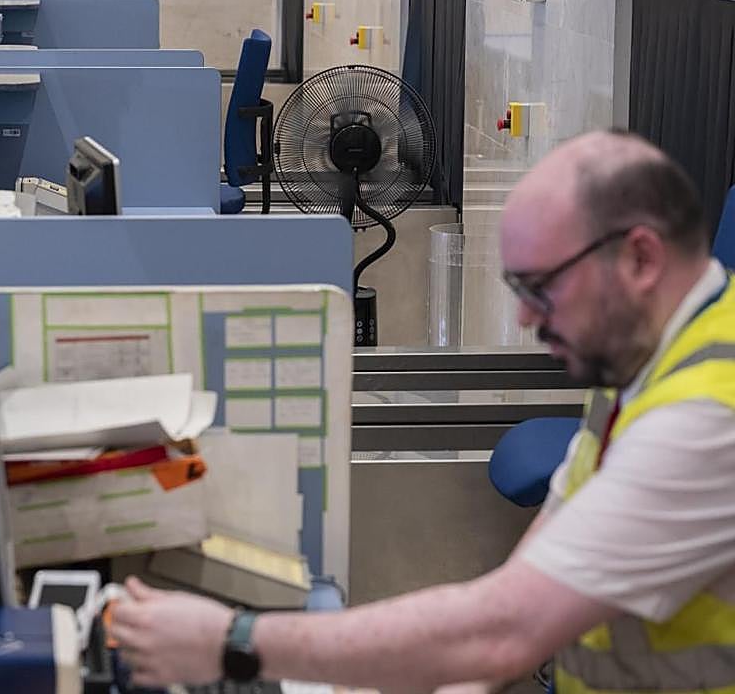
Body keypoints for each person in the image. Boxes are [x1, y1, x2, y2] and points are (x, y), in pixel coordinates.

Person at [112, 129, 735, 693]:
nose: (524, 319)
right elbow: (525, 592)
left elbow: (502, 629)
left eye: (539, 288)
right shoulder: (642, 360)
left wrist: (233, 643)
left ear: (641, 260)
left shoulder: (706, 419)